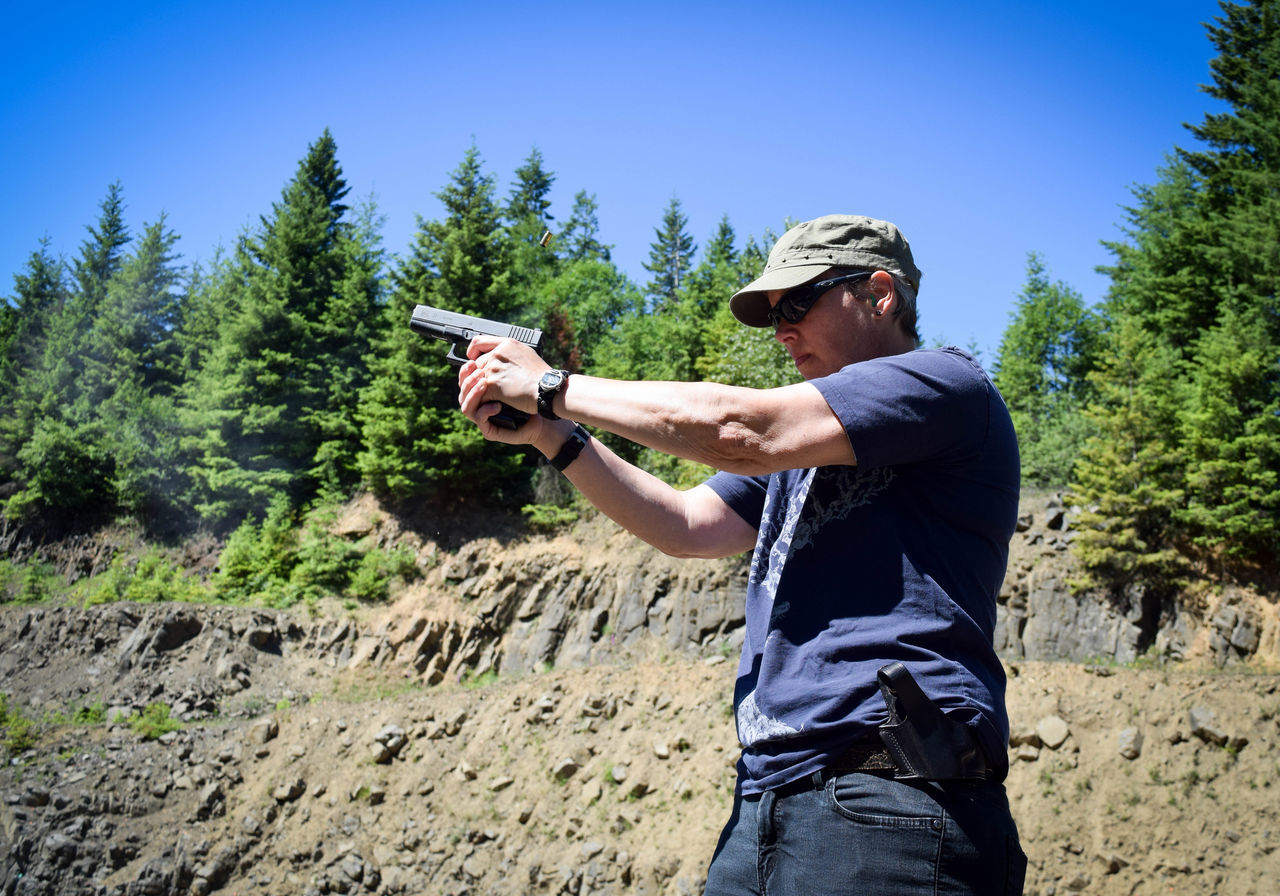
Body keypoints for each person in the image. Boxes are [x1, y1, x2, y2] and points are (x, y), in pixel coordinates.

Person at [456, 214, 1027, 895]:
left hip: (889, 800)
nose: (782, 329)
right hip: (768, 803)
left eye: (798, 303)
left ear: (880, 294)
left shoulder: (942, 384)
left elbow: (739, 428)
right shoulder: (799, 452)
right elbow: (687, 523)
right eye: (773, 314)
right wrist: (557, 437)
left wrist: (550, 386)